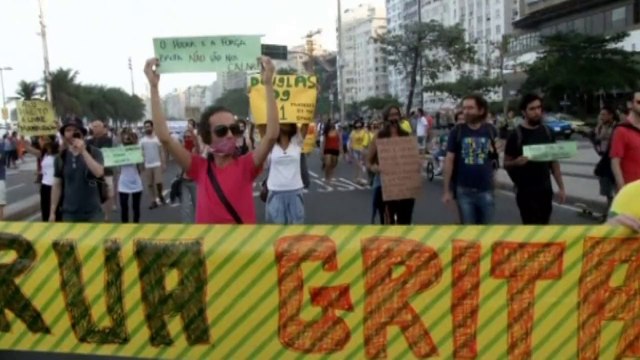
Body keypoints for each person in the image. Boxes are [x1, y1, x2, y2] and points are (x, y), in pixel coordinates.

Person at [144, 56, 279, 224]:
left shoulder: (247, 165)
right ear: (207, 137)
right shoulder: (199, 167)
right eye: (222, 130)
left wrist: (268, 84)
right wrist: (153, 87)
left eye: (234, 129)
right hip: (210, 248)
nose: (230, 135)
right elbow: (164, 137)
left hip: (242, 249)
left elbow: (272, 135)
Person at [504, 94, 566, 225]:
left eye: (539, 108)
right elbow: (506, 163)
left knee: (544, 226)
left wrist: (561, 188)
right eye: (532, 109)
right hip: (525, 192)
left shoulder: (548, 132)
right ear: (524, 112)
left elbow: (554, 162)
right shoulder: (516, 135)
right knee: (531, 229)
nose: (537, 112)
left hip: (545, 190)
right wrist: (516, 162)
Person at [442, 94, 498, 225]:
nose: (466, 111)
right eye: (464, 108)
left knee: (486, 231)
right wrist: (447, 190)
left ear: (481, 110)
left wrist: (494, 176)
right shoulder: (457, 131)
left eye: (470, 108)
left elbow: (494, 158)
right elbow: (449, 160)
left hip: (486, 190)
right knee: (469, 233)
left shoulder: (490, 130)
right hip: (464, 191)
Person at [50, 116, 105, 222]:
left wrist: (83, 151)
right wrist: (52, 211)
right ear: (64, 135)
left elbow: (99, 173)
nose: (71, 133)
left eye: (76, 130)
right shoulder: (60, 157)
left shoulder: (95, 152)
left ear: (82, 133)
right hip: (69, 213)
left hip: (93, 213)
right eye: (68, 130)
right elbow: (57, 185)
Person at [367, 105, 415, 225]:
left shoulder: (405, 135)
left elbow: (411, 158)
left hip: (404, 183)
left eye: (396, 115)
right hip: (385, 183)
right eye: (391, 115)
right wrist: (375, 168)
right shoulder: (379, 136)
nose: (394, 118)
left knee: (405, 218)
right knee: (388, 219)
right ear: (385, 118)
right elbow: (368, 161)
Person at [264, 123, 307, 224]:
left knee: (295, 232)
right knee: (277, 230)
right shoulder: (270, 145)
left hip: (295, 192)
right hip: (275, 192)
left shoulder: (297, 142)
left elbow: (306, 122)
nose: (284, 123)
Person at [24, 135, 61, 222]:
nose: (40, 141)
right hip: (44, 185)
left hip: (55, 186)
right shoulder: (44, 153)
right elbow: (29, 149)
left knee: (55, 210)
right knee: (45, 209)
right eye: (40, 139)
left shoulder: (58, 154)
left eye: (43, 139)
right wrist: (24, 139)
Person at [610, 92, 640, 192]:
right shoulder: (621, 130)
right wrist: (622, 189)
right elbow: (615, 162)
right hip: (631, 190)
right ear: (630, 104)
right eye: (639, 102)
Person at [88, 119, 116, 220]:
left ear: (102, 128)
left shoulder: (109, 140)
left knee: (108, 193)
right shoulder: (88, 141)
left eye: (97, 126)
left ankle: (107, 216)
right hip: (92, 172)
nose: (95, 128)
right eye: (93, 126)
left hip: (107, 171)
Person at [593, 106, 617, 209]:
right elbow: (597, 140)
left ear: (611, 115)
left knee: (617, 186)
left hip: (615, 159)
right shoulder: (600, 127)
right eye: (600, 114)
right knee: (606, 186)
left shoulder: (617, 127)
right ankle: (610, 208)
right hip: (604, 158)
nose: (601, 117)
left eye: (604, 114)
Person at [117, 129, 143, 223]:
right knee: (124, 206)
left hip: (135, 180)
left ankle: (136, 224)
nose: (127, 139)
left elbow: (141, 167)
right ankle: (125, 226)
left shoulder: (137, 149)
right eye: (125, 138)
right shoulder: (119, 149)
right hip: (123, 181)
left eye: (129, 138)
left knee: (136, 206)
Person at [140, 120, 167, 209]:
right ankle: (153, 201)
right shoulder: (142, 140)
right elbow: (140, 153)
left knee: (158, 182)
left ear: (152, 127)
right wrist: (141, 165)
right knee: (150, 184)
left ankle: (160, 194)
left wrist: (163, 163)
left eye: (149, 126)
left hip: (157, 163)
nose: (147, 128)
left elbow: (162, 151)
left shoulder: (157, 139)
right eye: (146, 127)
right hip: (147, 165)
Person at [349, 119, 369, 185]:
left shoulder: (364, 131)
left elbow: (366, 139)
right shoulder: (353, 132)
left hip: (362, 149)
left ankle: (360, 178)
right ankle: (357, 176)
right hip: (355, 149)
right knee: (357, 163)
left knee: (359, 163)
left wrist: (364, 147)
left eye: (359, 123)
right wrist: (350, 150)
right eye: (357, 123)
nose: (358, 124)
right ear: (355, 124)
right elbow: (351, 141)